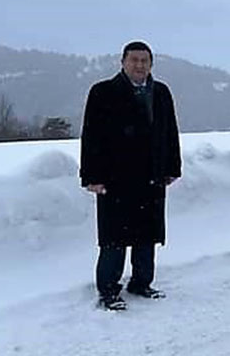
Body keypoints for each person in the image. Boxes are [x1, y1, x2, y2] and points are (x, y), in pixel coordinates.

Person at [80, 40, 181, 311]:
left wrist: (172, 167)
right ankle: (109, 290)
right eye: (134, 60)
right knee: (114, 237)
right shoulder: (103, 92)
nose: (139, 65)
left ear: (151, 64)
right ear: (122, 62)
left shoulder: (160, 92)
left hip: (151, 175)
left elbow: (170, 131)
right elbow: (91, 136)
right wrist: (91, 176)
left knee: (147, 234)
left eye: (144, 61)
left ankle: (141, 282)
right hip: (116, 177)